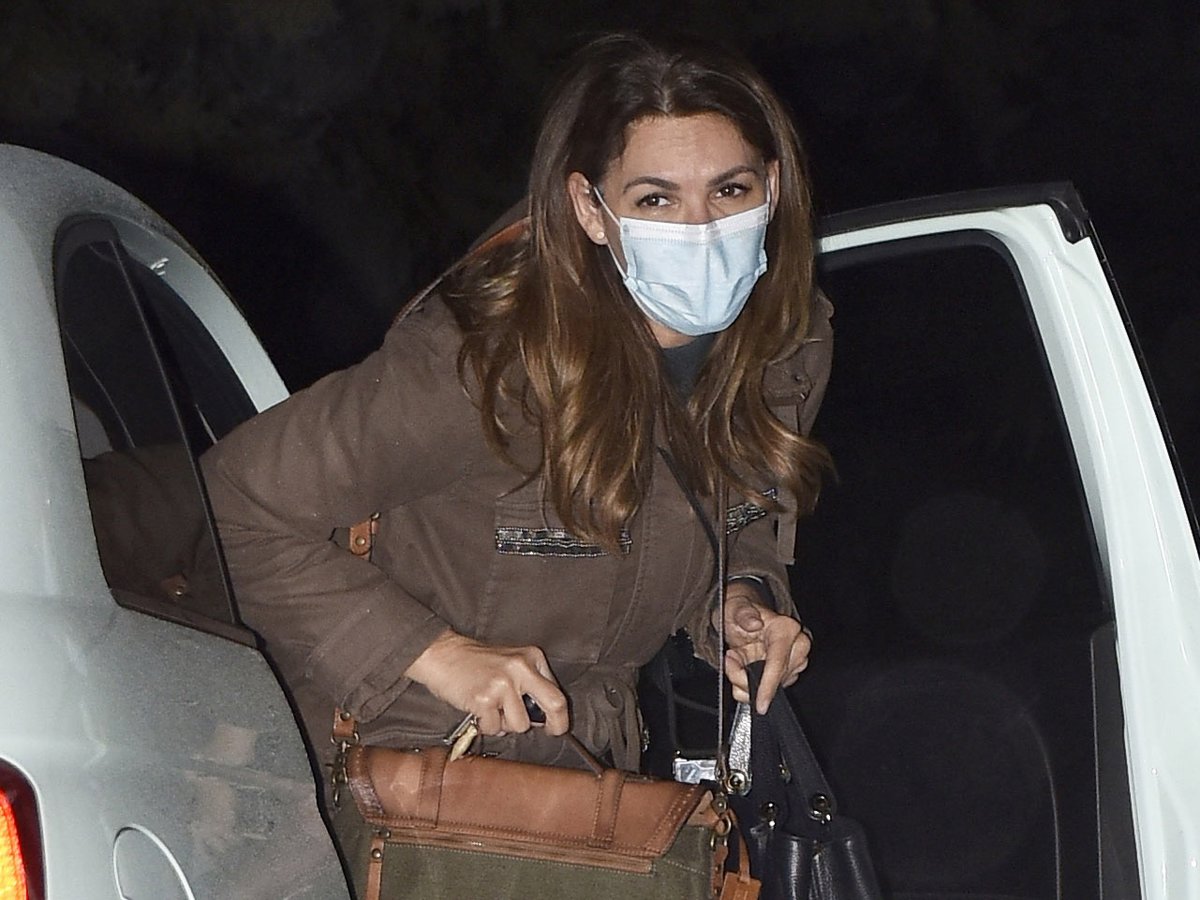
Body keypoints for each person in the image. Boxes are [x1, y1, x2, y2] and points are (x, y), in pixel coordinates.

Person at [201, 30, 832, 801]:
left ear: (773, 186)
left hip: (588, 783)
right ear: (590, 209)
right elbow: (232, 502)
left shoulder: (783, 350)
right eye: (656, 198)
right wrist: (435, 652)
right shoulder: (489, 364)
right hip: (396, 778)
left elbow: (734, 517)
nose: (700, 229)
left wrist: (741, 605)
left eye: (730, 191)